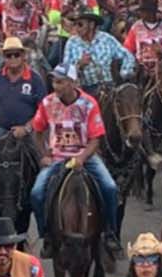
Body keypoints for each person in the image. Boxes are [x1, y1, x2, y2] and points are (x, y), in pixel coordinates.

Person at [28, 68, 120, 250]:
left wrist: (82, 157)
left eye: (61, 82)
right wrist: (43, 154)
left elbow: (96, 139)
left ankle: (110, 232)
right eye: (54, 82)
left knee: (110, 187)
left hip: (85, 156)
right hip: (57, 158)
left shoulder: (89, 103)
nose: (56, 86)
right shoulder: (47, 102)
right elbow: (37, 130)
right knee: (36, 193)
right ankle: (45, 234)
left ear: (72, 83)